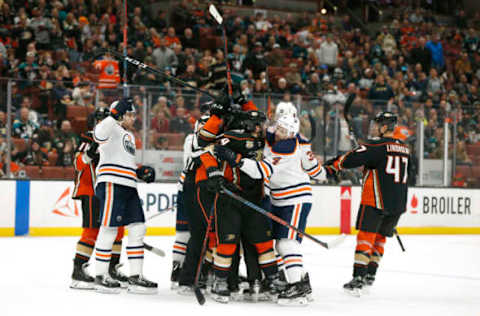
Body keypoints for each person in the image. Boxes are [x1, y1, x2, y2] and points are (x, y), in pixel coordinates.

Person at [216, 114, 328, 305]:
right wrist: (324, 172)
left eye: (284, 131)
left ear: (292, 133)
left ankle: (297, 288)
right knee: (276, 244)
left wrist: (235, 158)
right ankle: (298, 282)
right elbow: (317, 171)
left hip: (294, 199)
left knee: (286, 244)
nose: (278, 133)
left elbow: (258, 171)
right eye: (279, 128)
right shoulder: (292, 141)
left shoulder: (285, 148)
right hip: (280, 199)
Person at [323, 112, 411, 297]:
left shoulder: (375, 146)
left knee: (366, 238)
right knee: (380, 239)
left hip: (376, 201)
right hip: (397, 203)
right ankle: (370, 276)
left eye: (377, 124)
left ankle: (358, 279)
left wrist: (330, 166)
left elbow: (347, 161)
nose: (374, 127)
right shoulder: (403, 147)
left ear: (385, 127)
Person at [92, 98, 157, 294]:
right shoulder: (110, 127)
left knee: (138, 227)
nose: (133, 118)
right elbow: (98, 136)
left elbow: (122, 161)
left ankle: (136, 276)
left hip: (128, 185)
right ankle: (101, 275)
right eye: (129, 114)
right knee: (109, 228)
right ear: (119, 114)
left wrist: (138, 172)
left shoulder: (128, 135)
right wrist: (113, 115)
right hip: (112, 183)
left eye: (133, 114)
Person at [70, 107, 128, 289]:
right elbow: (78, 164)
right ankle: (78, 271)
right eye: (101, 120)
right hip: (91, 191)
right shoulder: (89, 137)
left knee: (118, 229)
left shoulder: (117, 139)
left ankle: (111, 269)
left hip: (111, 190)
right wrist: (90, 153)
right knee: (92, 231)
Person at [171, 113, 210, 290]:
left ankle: (196, 270)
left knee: (195, 234)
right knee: (185, 233)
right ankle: (178, 269)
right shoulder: (192, 139)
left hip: (196, 189)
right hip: (188, 189)